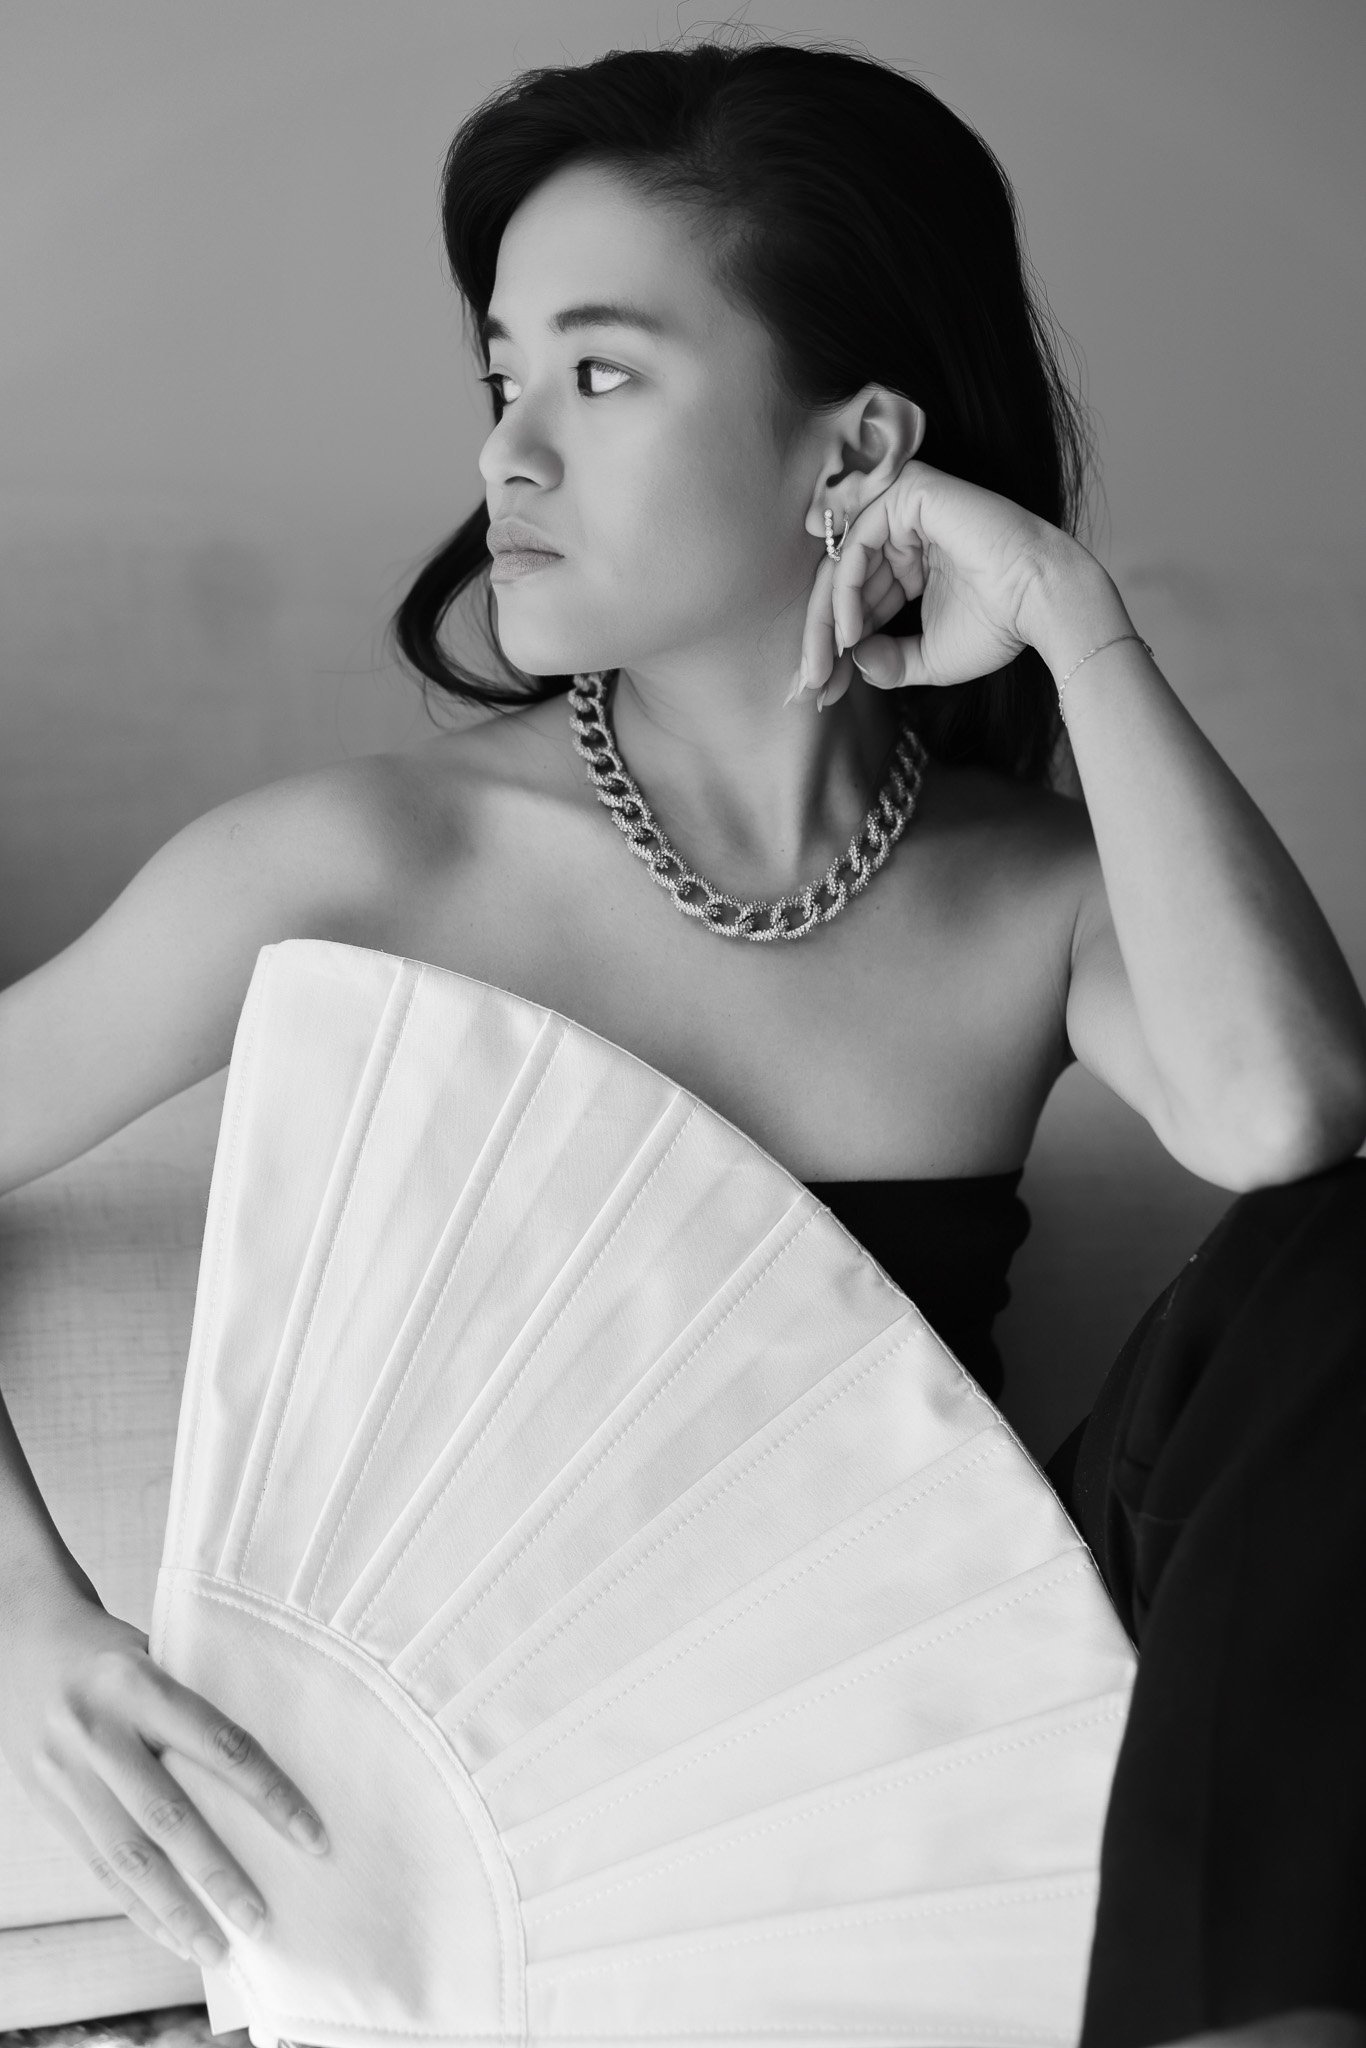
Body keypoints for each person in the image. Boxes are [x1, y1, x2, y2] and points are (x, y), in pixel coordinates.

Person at [1, 37, 1363, 2048]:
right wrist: (29, 1623)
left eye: (600, 373)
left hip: (961, 1769)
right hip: (529, 1860)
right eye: (502, 375)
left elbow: (1289, 1117)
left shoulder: (1029, 892)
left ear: (854, 451)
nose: (507, 454)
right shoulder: (362, 863)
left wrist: (1071, 613)